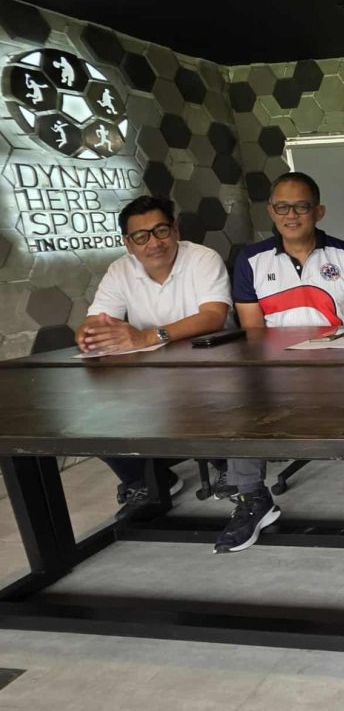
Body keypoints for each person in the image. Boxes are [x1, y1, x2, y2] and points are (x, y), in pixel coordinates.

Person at [221, 172, 344, 553]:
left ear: (318, 211)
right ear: (271, 211)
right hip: (276, 369)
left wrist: (335, 349)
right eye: (282, 207)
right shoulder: (251, 260)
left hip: (342, 363)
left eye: (301, 207)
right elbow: (252, 329)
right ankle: (253, 499)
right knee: (239, 401)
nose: (291, 215)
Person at [77, 195, 231, 519]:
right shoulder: (120, 269)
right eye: (141, 236)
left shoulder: (202, 258)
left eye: (161, 230)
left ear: (175, 229)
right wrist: (90, 333)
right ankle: (146, 479)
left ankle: (227, 463)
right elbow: (97, 319)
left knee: (211, 395)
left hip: (211, 361)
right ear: (128, 243)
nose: (154, 243)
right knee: (92, 413)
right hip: (149, 370)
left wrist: (146, 336)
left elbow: (213, 316)